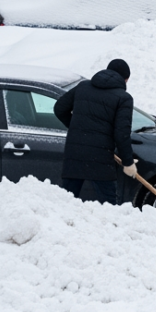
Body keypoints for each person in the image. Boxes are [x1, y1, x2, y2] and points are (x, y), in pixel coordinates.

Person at [53, 58, 137, 203]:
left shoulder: (82, 87)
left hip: (75, 155)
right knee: (109, 205)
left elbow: (59, 108)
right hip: (100, 159)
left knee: (65, 202)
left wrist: (77, 129)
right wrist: (128, 163)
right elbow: (121, 134)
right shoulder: (123, 98)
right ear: (125, 79)